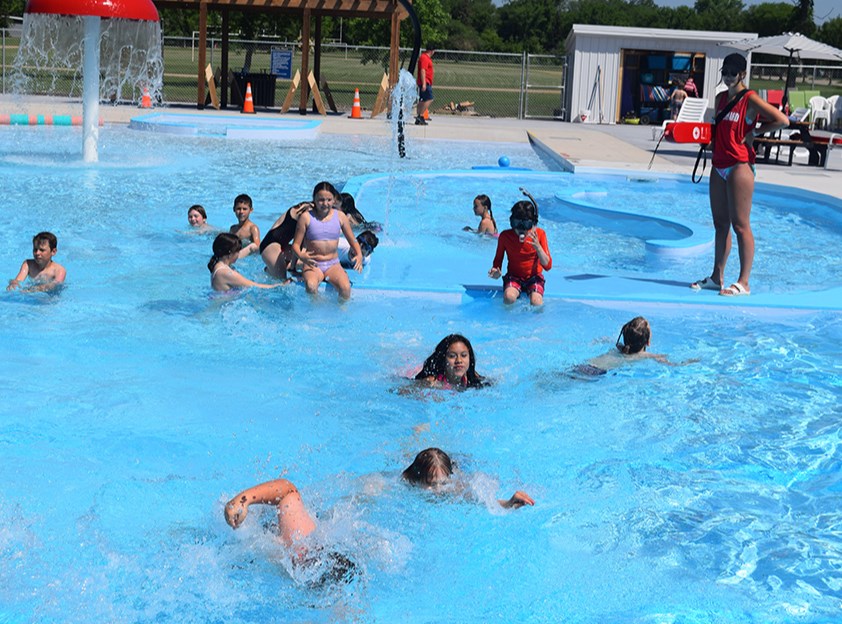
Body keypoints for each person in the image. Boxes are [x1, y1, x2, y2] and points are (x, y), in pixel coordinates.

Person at [690, 53, 789, 297]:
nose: (727, 77)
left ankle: (744, 282)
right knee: (720, 224)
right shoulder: (720, 98)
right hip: (719, 164)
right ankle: (716, 277)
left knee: (740, 225)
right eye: (724, 73)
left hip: (739, 165)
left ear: (742, 74)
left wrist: (755, 132)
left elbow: (782, 120)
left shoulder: (750, 99)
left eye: (732, 73)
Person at [224, 478, 357, 587]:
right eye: (309, 555)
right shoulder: (300, 540)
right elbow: (288, 491)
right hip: (271, 517)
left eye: (306, 561)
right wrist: (243, 500)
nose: (303, 554)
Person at [292, 181, 363, 301]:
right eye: (321, 200)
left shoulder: (340, 217)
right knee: (311, 286)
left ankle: (341, 314)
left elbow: (353, 240)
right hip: (313, 264)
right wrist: (301, 256)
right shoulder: (306, 217)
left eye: (329, 200)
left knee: (345, 288)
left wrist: (359, 254)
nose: (325, 203)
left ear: (334, 200)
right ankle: (316, 311)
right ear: (314, 199)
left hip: (333, 264)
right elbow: (295, 245)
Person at [402, 448, 534, 509]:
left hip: (461, 463)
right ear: (417, 479)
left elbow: (488, 503)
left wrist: (510, 502)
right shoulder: (407, 482)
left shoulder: (455, 489)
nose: (438, 491)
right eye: (431, 484)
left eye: (442, 483)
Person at [571, 316, 694, 378]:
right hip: (595, 373)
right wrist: (690, 362)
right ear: (648, 342)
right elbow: (673, 365)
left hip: (582, 366)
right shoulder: (647, 355)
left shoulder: (618, 347)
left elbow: (604, 339)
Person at [488, 189, 552, 306]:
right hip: (514, 277)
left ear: (533, 223)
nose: (520, 230)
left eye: (526, 225)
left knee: (536, 301)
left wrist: (538, 247)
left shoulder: (540, 234)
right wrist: (496, 271)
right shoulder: (505, 236)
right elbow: (498, 261)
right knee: (509, 297)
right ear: (511, 222)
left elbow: (547, 266)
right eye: (516, 224)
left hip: (534, 277)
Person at [208, 233, 283, 292]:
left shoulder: (219, 265)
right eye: (237, 251)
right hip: (226, 307)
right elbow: (254, 286)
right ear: (230, 253)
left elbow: (249, 249)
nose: (239, 254)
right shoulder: (225, 273)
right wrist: (280, 285)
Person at [260, 201, 312, 280]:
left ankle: (273, 268)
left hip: (282, 245)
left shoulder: (308, 207)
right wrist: (293, 268)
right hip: (271, 245)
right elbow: (298, 243)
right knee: (282, 282)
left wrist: (293, 268)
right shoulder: (307, 212)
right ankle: (272, 269)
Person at [414, 334, 486, 389]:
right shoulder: (432, 382)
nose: (459, 360)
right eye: (452, 356)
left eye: (463, 355)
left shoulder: (472, 377)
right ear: (443, 360)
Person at [415, 45, 435, 126]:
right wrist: (424, 84)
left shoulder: (424, 57)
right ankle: (421, 116)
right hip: (425, 82)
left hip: (426, 82)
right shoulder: (425, 58)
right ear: (432, 50)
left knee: (422, 100)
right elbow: (423, 70)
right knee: (430, 99)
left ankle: (419, 117)